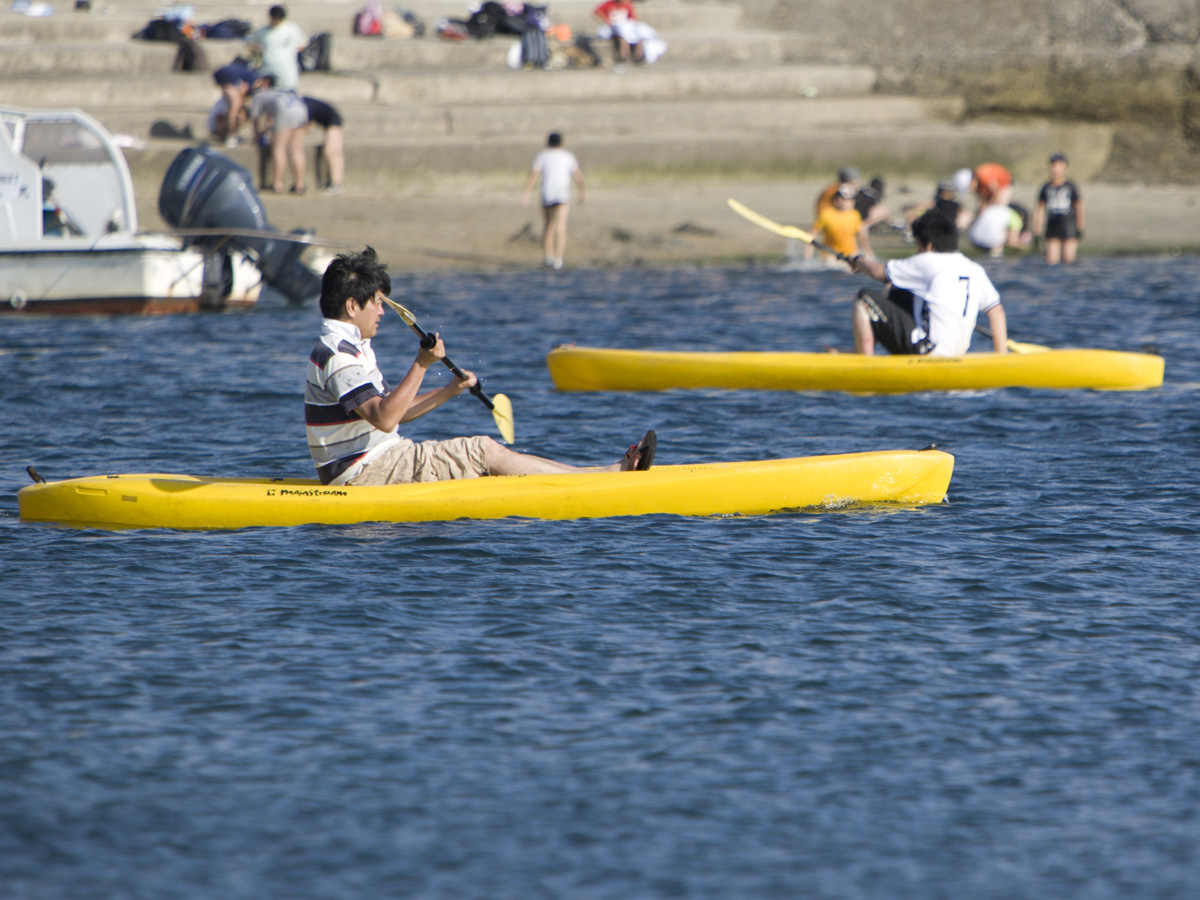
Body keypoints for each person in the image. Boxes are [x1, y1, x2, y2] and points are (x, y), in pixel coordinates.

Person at [305, 247, 655, 486]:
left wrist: (448, 390)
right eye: (376, 304)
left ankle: (599, 474)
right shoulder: (339, 356)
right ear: (352, 306)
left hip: (379, 460)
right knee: (483, 450)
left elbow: (390, 413)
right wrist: (421, 364)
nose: (382, 312)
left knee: (489, 452)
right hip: (363, 473)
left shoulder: (351, 348)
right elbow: (385, 417)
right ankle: (601, 478)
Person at [848, 209, 1008, 357]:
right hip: (957, 353)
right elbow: (996, 311)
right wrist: (1002, 358)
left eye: (918, 246)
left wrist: (858, 261)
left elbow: (878, 271)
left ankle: (863, 361)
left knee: (864, 298)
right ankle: (856, 352)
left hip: (927, 351)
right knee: (894, 291)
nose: (917, 252)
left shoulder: (927, 261)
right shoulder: (975, 269)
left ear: (929, 245)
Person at [519, 132, 585, 269]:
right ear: (562, 143)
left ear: (548, 142)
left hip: (547, 194)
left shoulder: (543, 156)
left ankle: (548, 257)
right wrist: (582, 193)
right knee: (561, 228)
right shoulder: (568, 156)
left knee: (548, 226)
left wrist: (525, 194)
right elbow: (579, 177)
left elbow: (533, 176)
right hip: (562, 195)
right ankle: (558, 259)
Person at [248, 75, 310, 194]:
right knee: (296, 149)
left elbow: (255, 118)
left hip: (284, 110)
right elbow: (270, 117)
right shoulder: (282, 91)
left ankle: (277, 184)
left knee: (279, 148)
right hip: (301, 108)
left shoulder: (259, 95)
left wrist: (256, 136)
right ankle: (299, 184)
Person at [1031, 153, 1085, 265]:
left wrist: (1080, 228)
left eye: (1059, 166)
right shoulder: (1046, 188)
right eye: (1053, 166)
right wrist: (1036, 232)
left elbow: (1079, 207)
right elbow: (1039, 210)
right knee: (1051, 261)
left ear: (1065, 168)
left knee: (1069, 261)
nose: (1056, 169)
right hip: (1052, 227)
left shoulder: (1070, 187)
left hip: (1068, 226)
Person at [247, 5, 307, 93]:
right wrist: (260, 52)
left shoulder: (291, 29)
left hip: (287, 70)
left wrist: (289, 52)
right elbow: (250, 43)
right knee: (267, 94)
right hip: (267, 69)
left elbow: (303, 43)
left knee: (288, 93)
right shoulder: (262, 31)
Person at [809, 182, 871, 266]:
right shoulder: (826, 214)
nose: (852, 202)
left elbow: (862, 235)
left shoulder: (855, 215)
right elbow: (813, 232)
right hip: (830, 256)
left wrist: (868, 253)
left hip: (851, 255)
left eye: (853, 199)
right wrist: (808, 251)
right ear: (838, 200)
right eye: (849, 199)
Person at [301, 96, 345, 195]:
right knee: (336, 152)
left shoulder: (304, 106)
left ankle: (337, 184)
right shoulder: (307, 102)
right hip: (334, 119)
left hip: (332, 122)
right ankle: (338, 183)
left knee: (331, 151)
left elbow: (307, 126)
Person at [210, 61, 259, 144]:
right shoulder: (255, 80)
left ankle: (229, 135)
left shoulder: (246, 75)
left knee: (237, 109)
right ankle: (231, 136)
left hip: (223, 74)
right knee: (235, 107)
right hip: (228, 75)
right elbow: (245, 89)